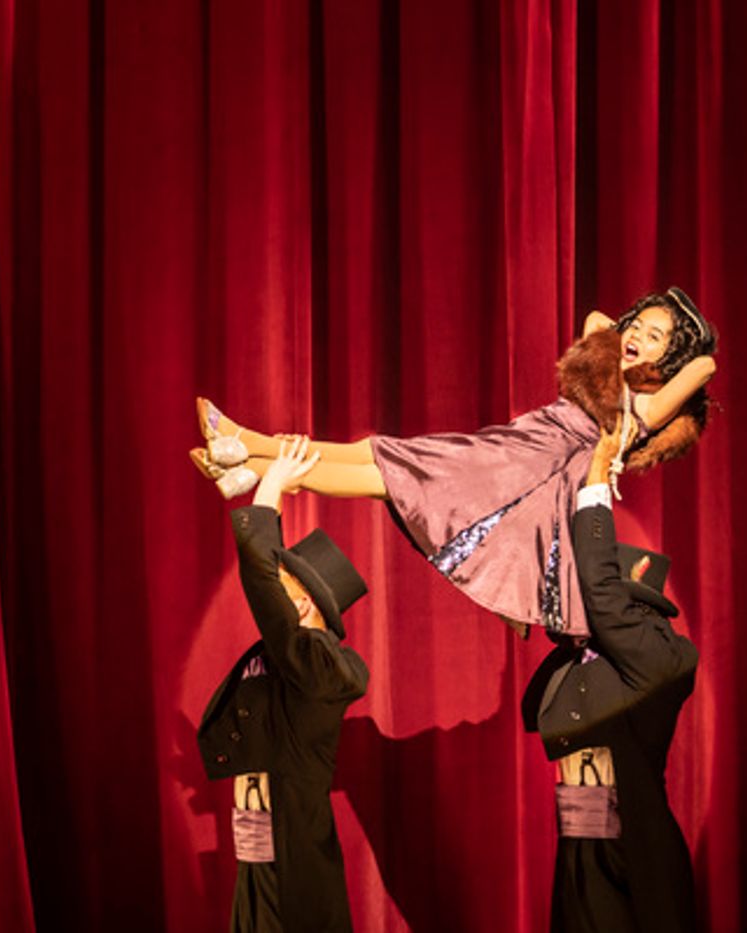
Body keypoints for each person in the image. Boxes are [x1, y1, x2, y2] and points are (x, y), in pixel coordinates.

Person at [190, 287, 716, 635]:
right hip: (509, 449)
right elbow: (598, 321)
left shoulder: (643, 407)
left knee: (383, 475)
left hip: (519, 473)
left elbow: (704, 365)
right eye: (637, 326)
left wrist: (675, 344)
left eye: (655, 338)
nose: (636, 338)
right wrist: (631, 331)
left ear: (670, 358)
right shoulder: (604, 372)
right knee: (378, 456)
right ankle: (247, 454)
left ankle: (249, 455)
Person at [520, 419, 700, 932]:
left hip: (633, 847)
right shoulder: (592, 664)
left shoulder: (660, 654)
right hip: (582, 842)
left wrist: (595, 480)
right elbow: (536, 711)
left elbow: (600, 594)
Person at [198, 437, 370, 932]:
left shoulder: (324, 665)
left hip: (293, 867)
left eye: (287, 589)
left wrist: (269, 490)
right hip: (256, 857)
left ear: (302, 603)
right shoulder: (283, 660)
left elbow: (260, 584)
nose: (279, 594)